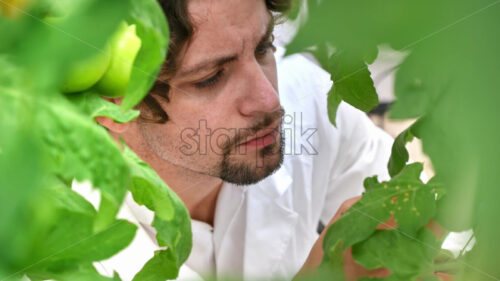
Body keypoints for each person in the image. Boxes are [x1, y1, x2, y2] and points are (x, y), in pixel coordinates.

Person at [86, 0, 395, 280]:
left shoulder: (309, 98)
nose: (269, 99)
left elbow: (414, 219)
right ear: (116, 106)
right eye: (210, 77)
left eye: (263, 48)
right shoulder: (54, 251)